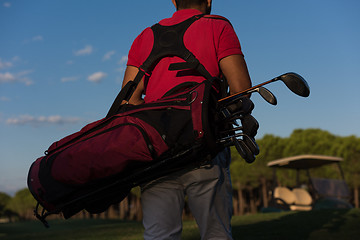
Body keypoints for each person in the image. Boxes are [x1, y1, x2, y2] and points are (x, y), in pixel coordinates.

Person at [121, 0, 252, 239]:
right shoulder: (218, 26)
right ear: (209, 0)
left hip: (156, 154)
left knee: (159, 236)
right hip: (206, 146)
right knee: (216, 234)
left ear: (173, 0)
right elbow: (241, 89)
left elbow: (128, 102)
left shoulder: (144, 36)